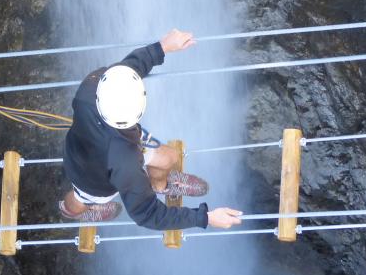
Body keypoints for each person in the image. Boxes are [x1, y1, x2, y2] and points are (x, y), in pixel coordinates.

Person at [59, 29, 243, 231]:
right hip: (92, 178)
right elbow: (147, 214)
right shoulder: (126, 163)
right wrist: (205, 218)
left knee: (170, 157)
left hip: (97, 144)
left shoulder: (91, 87)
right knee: (81, 198)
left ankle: (160, 186)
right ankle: (73, 210)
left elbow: (128, 70)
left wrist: (163, 46)